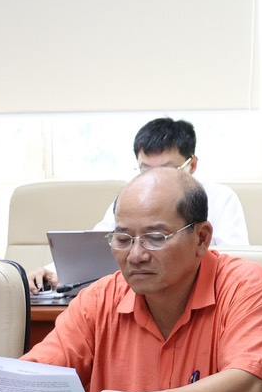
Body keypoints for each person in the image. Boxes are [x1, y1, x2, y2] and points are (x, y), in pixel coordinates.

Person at [0, 168, 262, 392]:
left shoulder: (243, 284)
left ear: (201, 238)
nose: (136, 255)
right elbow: (36, 372)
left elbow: (247, 384)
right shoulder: (98, 299)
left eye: (156, 238)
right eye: (123, 238)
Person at [29, 117, 249, 292]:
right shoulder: (129, 198)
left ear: (192, 165)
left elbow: (235, 262)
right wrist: (52, 271)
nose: (156, 180)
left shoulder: (221, 198)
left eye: (167, 170)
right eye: (146, 170)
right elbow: (96, 246)